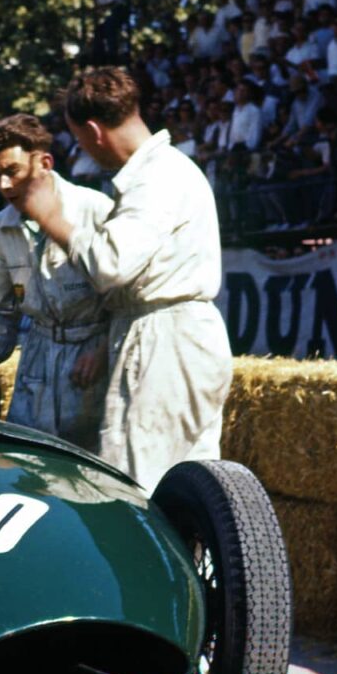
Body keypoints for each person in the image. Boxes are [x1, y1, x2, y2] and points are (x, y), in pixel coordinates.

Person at [17, 67, 232, 492]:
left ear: (94, 131)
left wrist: (53, 219)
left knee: (138, 484)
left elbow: (112, 264)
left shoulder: (156, 177)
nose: (84, 150)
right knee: (188, 485)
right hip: (172, 332)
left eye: (80, 140)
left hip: (165, 339)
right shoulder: (167, 170)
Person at [0, 114, 112, 452]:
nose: (4, 186)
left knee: (92, 467)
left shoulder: (94, 210)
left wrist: (102, 350)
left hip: (92, 360)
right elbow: (1, 305)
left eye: (12, 172)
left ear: (44, 163)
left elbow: (128, 296)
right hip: (37, 356)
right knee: (28, 460)